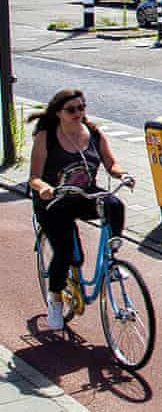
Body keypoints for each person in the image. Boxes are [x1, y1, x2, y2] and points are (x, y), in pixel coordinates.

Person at [28, 89, 135, 330]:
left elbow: (111, 163)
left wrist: (122, 174)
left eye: (81, 107)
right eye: (71, 109)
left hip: (83, 194)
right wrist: (44, 188)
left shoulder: (94, 133)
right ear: (59, 113)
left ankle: (111, 259)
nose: (78, 113)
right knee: (66, 254)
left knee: (114, 205)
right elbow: (34, 177)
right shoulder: (46, 137)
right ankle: (55, 302)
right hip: (53, 202)